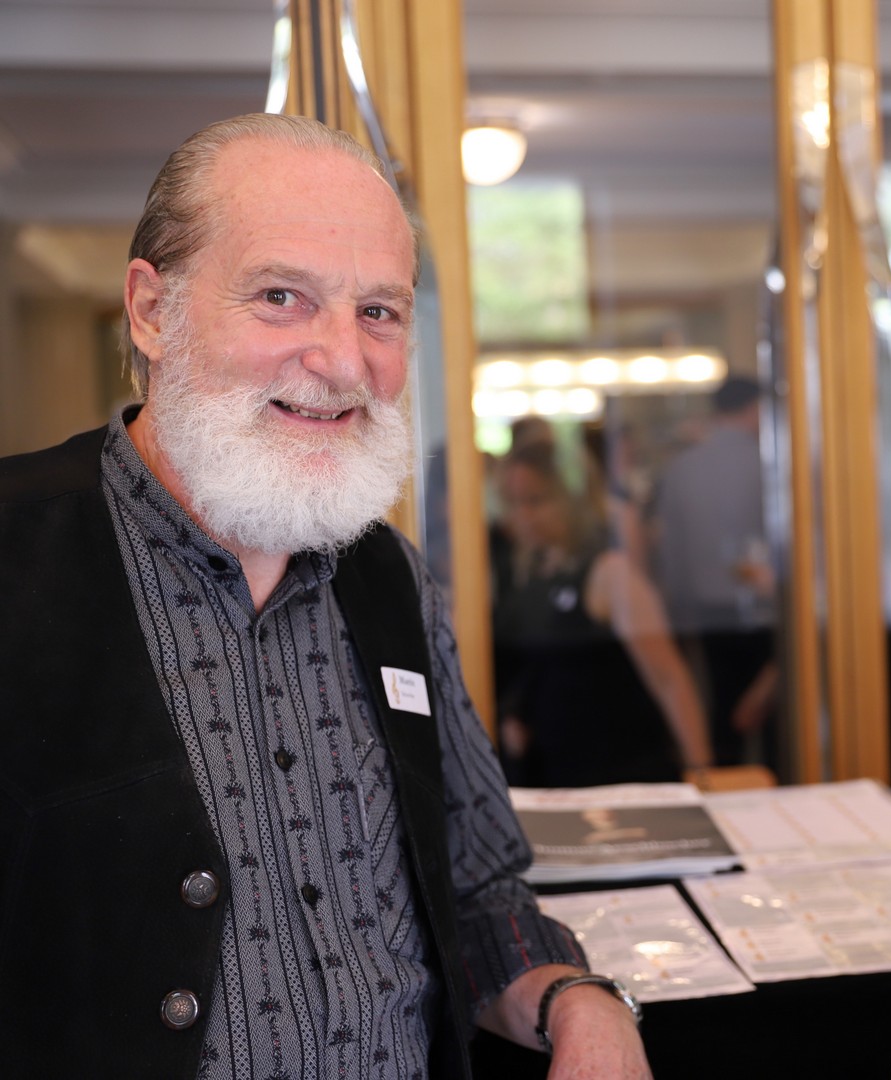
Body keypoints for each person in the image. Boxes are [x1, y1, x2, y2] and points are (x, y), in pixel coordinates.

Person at [0, 113, 649, 1078]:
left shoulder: (391, 580)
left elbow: (476, 892)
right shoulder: (19, 560)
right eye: (281, 297)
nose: (345, 362)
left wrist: (579, 1000)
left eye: (379, 312)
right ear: (151, 311)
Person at [493, 440, 713, 787]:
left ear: (572, 499)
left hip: (616, 776)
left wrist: (701, 771)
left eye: (536, 501)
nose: (524, 516)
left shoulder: (610, 572)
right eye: (514, 503)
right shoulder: (532, 571)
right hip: (551, 778)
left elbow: (669, 677)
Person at [650, 374, 778, 768]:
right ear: (754, 408)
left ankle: (728, 784)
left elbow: (671, 552)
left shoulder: (681, 468)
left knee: (722, 719)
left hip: (704, 614)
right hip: (766, 612)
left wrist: (678, 615)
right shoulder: (770, 465)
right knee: (774, 720)